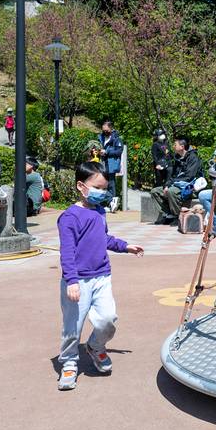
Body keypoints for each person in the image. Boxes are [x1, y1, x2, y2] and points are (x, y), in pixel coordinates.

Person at [56, 161, 144, 391]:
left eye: (105, 188)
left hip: (102, 276)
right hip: (78, 281)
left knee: (108, 319)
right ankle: (69, 361)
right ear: (81, 186)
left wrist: (125, 246)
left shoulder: (99, 212)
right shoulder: (69, 217)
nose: (102, 192)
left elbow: (103, 239)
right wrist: (72, 281)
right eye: (97, 187)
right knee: (72, 327)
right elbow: (67, 252)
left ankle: (95, 346)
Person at [150, 138, 202, 225]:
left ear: (182, 147)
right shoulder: (177, 158)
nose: (173, 147)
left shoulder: (193, 158)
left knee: (171, 191)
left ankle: (178, 216)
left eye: (175, 145)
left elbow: (189, 177)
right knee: (155, 191)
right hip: (176, 184)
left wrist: (171, 184)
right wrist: (167, 184)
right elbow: (172, 175)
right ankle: (167, 215)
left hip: (189, 186)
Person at [97, 121, 124, 212]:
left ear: (111, 129)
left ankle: (111, 203)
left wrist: (107, 152)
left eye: (106, 130)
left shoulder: (117, 139)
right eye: (103, 130)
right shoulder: (100, 137)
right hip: (101, 164)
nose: (104, 131)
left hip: (111, 165)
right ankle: (111, 201)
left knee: (111, 185)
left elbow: (119, 151)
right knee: (101, 184)